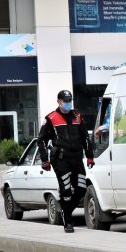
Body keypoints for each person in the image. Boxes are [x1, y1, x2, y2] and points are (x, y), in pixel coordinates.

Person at [37, 90, 94, 233]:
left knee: (81, 189)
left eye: (70, 100)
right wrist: (45, 160)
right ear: (59, 102)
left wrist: (89, 156)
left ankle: (65, 211)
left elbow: (85, 138)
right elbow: (41, 141)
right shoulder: (51, 118)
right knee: (66, 191)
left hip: (76, 158)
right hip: (60, 159)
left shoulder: (78, 116)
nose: (68, 103)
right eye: (65, 101)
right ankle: (68, 221)